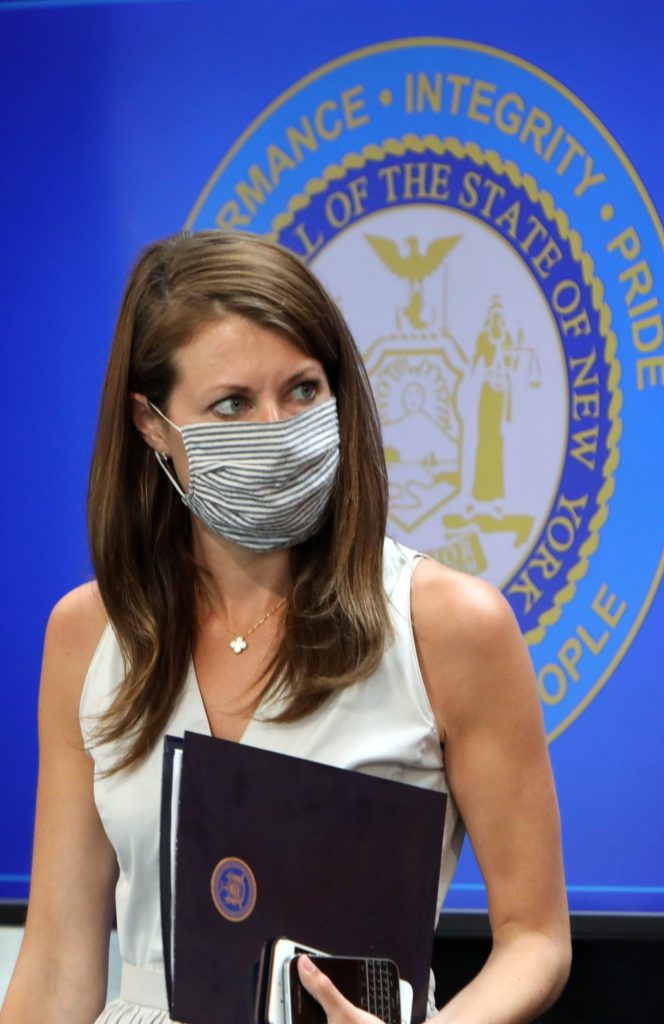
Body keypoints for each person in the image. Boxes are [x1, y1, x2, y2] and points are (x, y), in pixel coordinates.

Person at [0, 230, 571, 1024]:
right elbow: (58, 962)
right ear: (152, 423)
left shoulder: (448, 626)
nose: (276, 427)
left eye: (302, 391)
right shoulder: (87, 633)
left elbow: (534, 936)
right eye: (232, 404)